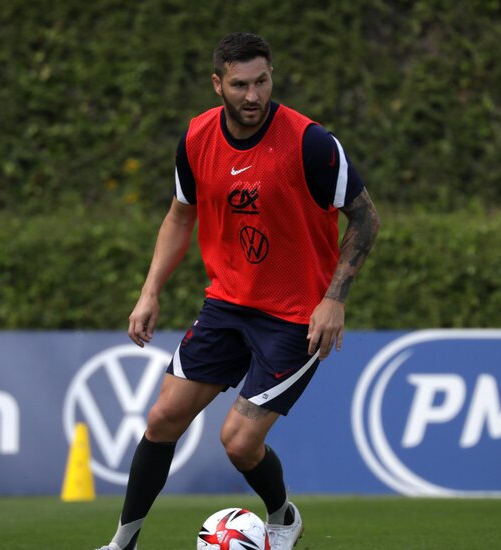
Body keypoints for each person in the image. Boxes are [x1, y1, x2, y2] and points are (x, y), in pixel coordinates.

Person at [95, 32, 380, 550]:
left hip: (296, 317)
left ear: (272, 75)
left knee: (238, 442)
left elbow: (365, 217)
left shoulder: (310, 142)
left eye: (262, 81)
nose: (253, 96)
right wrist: (149, 292)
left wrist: (334, 298)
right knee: (161, 420)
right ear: (217, 84)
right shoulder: (197, 138)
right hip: (227, 303)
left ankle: (282, 515)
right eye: (240, 85)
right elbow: (181, 214)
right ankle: (122, 543)